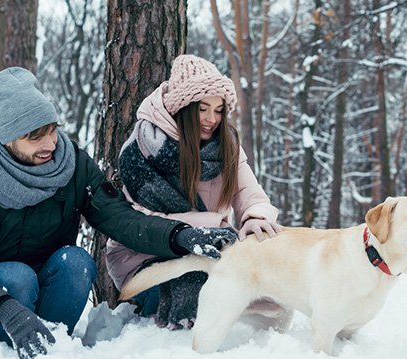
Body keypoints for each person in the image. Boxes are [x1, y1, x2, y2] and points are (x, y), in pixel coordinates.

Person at [0, 67, 237, 359]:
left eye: (52, 130)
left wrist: (181, 235)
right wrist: (5, 309)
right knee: (16, 275)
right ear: (8, 138)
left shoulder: (71, 165)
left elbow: (120, 218)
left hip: (50, 286)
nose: (50, 144)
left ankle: (54, 354)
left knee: (77, 261)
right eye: (35, 136)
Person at [106, 54, 282, 329]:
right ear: (184, 107)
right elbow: (141, 219)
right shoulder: (143, 149)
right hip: (145, 259)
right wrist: (214, 226)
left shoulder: (227, 145)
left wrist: (255, 218)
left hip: (209, 250)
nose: (212, 119)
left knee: (271, 282)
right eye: (202, 109)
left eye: (219, 109)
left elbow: (250, 192)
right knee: (203, 289)